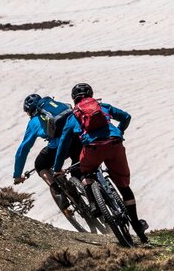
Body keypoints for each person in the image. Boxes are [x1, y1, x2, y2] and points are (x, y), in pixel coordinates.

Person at [52, 83, 148, 242]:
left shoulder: (72, 117)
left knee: (86, 173)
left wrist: (57, 168)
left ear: (74, 99)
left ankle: (94, 205)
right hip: (115, 144)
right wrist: (120, 132)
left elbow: (63, 143)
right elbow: (126, 116)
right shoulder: (103, 107)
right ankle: (138, 227)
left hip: (92, 149)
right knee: (124, 187)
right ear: (91, 94)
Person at [13, 93, 81, 210]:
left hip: (59, 147)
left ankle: (58, 193)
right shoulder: (58, 107)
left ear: (30, 111)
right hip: (77, 138)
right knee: (78, 165)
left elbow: (23, 150)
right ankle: (93, 193)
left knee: (40, 165)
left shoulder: (34, 121)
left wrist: (18, 175)